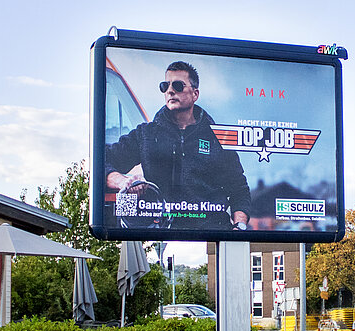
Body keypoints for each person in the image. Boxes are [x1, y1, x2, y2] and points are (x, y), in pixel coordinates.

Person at [104, 61, 251, 230]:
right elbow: (102, 161)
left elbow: (239, 189)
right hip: (161, 236)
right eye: (165, 86)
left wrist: (239, 227)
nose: (170, 90)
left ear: (195, 94)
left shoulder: (219, 139)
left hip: (212, 237)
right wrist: (124, 182)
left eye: (178, 85)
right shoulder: (145, 134)